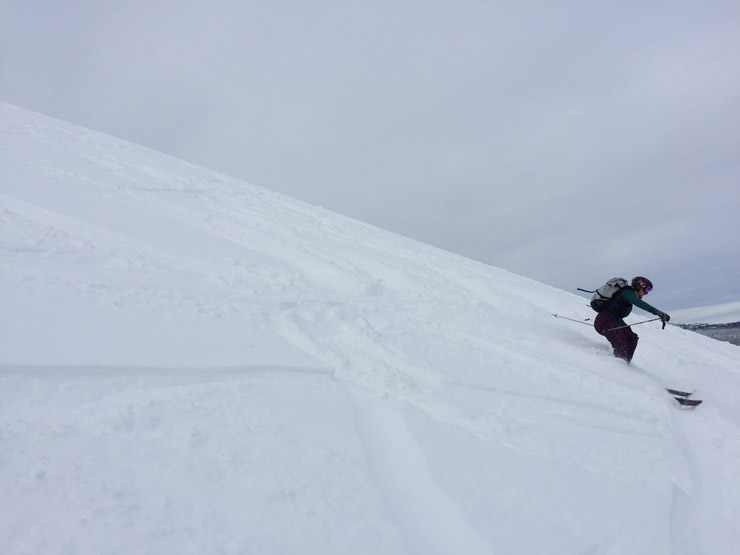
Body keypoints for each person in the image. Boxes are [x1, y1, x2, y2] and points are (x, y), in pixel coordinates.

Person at [594, 276, 670, 363]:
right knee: (621, 344)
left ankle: (625, 364)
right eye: (646, 290)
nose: (646, 293)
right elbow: (638, 302)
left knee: (632, 338)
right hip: (605, 320)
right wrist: (656, 311)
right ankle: (617, 368)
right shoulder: (627, 292)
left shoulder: (629, 295)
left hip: (614, 321)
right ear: (639, 285)